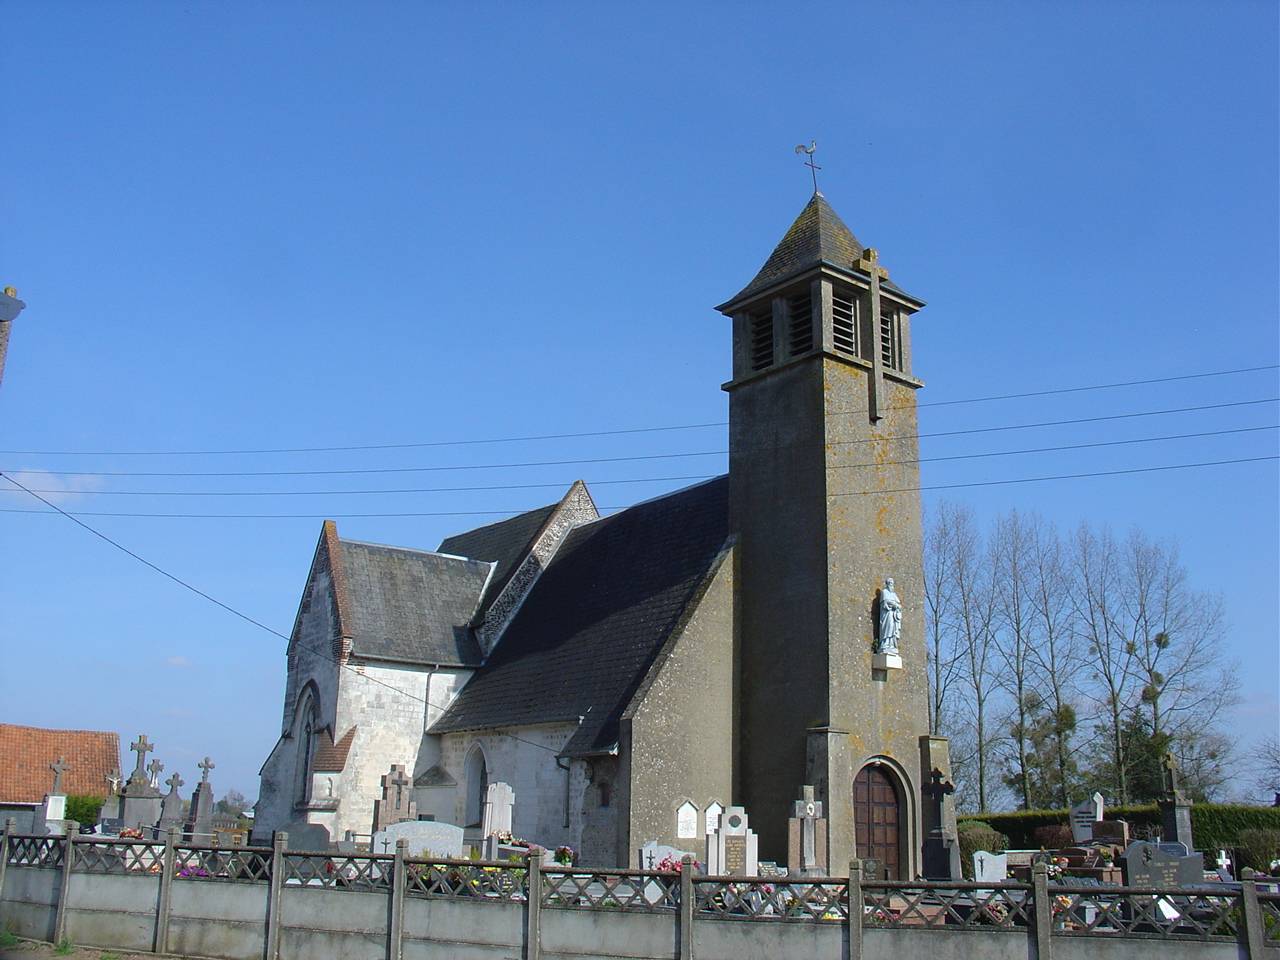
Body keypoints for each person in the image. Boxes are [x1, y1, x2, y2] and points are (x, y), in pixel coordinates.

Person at [878, 578, 902, 655]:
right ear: (887, 584)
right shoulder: (884, 592)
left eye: (892, 583)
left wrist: (897, 606)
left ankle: (891, 645)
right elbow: (884, 603)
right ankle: (885, 644)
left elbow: (899, 604)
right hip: (887, 614)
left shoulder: (894, 595)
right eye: (890, 583)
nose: (891, 584)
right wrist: (892, 604)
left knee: (893, 629)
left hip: (893, 615)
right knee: (887, 627)